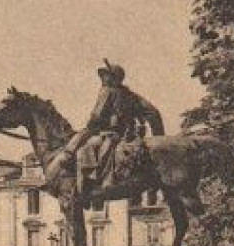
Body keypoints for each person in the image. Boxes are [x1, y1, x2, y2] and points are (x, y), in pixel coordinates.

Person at [62, 61, 165, 199]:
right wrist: (158, 136)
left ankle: (93, 182)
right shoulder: (129, 94)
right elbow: (153, 113)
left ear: (113, 78)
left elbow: (97, 115)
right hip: (127, 134)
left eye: (106, 76)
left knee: (86, 148)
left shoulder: (108, 91)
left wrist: (91, 126)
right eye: (103, 76)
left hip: (112, 133)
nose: (103, 79)